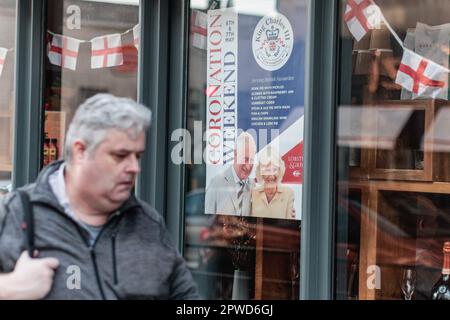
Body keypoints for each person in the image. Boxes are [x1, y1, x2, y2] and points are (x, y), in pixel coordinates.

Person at [0, 94, 199, 300]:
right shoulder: (16, 214)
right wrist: (8, 289)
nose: (135, 168)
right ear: (80, 151)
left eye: (137, 156)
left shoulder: (147, 223)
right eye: (120, 156)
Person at [205, 132, 256, 216]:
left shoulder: (253, 186)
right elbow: (208, 220)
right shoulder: (216, 183)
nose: (248, 166)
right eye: (245, 159)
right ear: (235, 154)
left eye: (251, 160)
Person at [250, 146, 295, 220]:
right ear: (261, 173)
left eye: (274, 170)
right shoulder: (253, 193)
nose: (271, 175)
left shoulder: (288, 193)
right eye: (267, 170)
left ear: (280, 170)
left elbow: (290, 222)